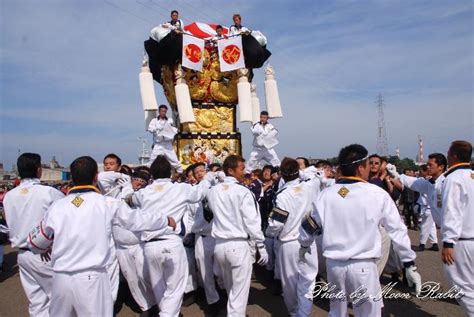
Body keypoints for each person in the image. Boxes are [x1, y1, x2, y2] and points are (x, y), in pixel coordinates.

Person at [27, 156, 176, 316]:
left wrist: (44, 247)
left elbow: (34, 242)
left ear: (71, 176)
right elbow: (138, 219)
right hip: (91, 279)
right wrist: (165, 220)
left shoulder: (57, 207)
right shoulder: (106, 203)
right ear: (96, 176)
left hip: (60, 278)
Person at [299, 144, 421, 317]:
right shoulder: (377, 194)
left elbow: (308, 226)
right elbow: (398, 230)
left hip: (334, 267)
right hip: (363, 266)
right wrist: (409, 263)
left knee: (337, 312)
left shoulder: (328, 194)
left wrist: (304, 246)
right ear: (361, 167)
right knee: (368, 313)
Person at [130, 155, 211, 316]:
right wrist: (206, 177)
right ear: (170, 173)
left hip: (150, 245)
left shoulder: (144, 192)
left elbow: (131, 199)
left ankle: (166, 312)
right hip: (172, 243)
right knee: (175, 288)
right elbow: (201, 192)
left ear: (152, 174)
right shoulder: (180, 188)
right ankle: (167, 314)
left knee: (158, 286)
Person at [3, 153, 64, 316]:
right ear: (39, 170)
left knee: (36, 301)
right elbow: (63, 222)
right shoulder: (50, 193)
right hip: (45, 253)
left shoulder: (9, 196)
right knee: (59, 299)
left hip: (22, 254)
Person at [207, 155, 268, 316]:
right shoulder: (243, 192)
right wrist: (261, 245)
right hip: (238, 245)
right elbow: (252, 222)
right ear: (230, 170)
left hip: (220, 245)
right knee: (239, 295)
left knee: (231, 291)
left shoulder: (213, 191)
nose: (245, 172)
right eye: (241, 169)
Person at [265, 158, 319, 316]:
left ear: (281, 174)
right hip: (308, 241)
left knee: (289, 284)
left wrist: (268, 234)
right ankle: (304, 313)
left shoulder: (282, 195)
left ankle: (296, 313)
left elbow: (276, 224)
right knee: (308, 282)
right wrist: (299, 172)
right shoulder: (310, 186)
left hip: (288, 243)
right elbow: (316, 173)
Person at [440, 140, 473, 315]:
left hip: (462, 242)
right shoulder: (472, 176)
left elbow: (452, 211)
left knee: (462, 288)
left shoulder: (453, 178)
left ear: (453, 155)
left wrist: (448, 242)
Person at [148, 105, 183, 173]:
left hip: (167, 144)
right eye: (162, 111)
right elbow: (150, 129)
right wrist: (157, 128)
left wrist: (169, 127)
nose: (163, 113)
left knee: (174, 160)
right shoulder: (154, 120)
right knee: (152, 160)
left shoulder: (169, 120)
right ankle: (147, 174)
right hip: (159, 144)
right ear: (159, 111)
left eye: (165, 111)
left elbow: (175, 129)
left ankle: (181, 173)